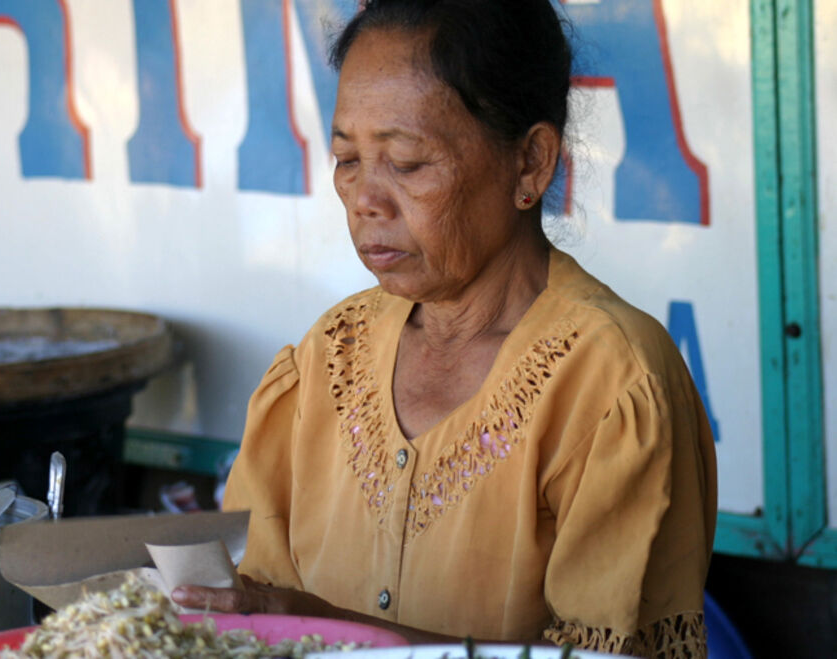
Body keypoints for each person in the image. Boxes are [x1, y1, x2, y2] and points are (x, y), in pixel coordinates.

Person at [172, 0, 717, 656]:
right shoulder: (326, 359)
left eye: (406, 163)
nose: (366, 199)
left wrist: (331, 631)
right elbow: (252, 605)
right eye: (348, 160)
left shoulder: (612, 386)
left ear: (530, 164)